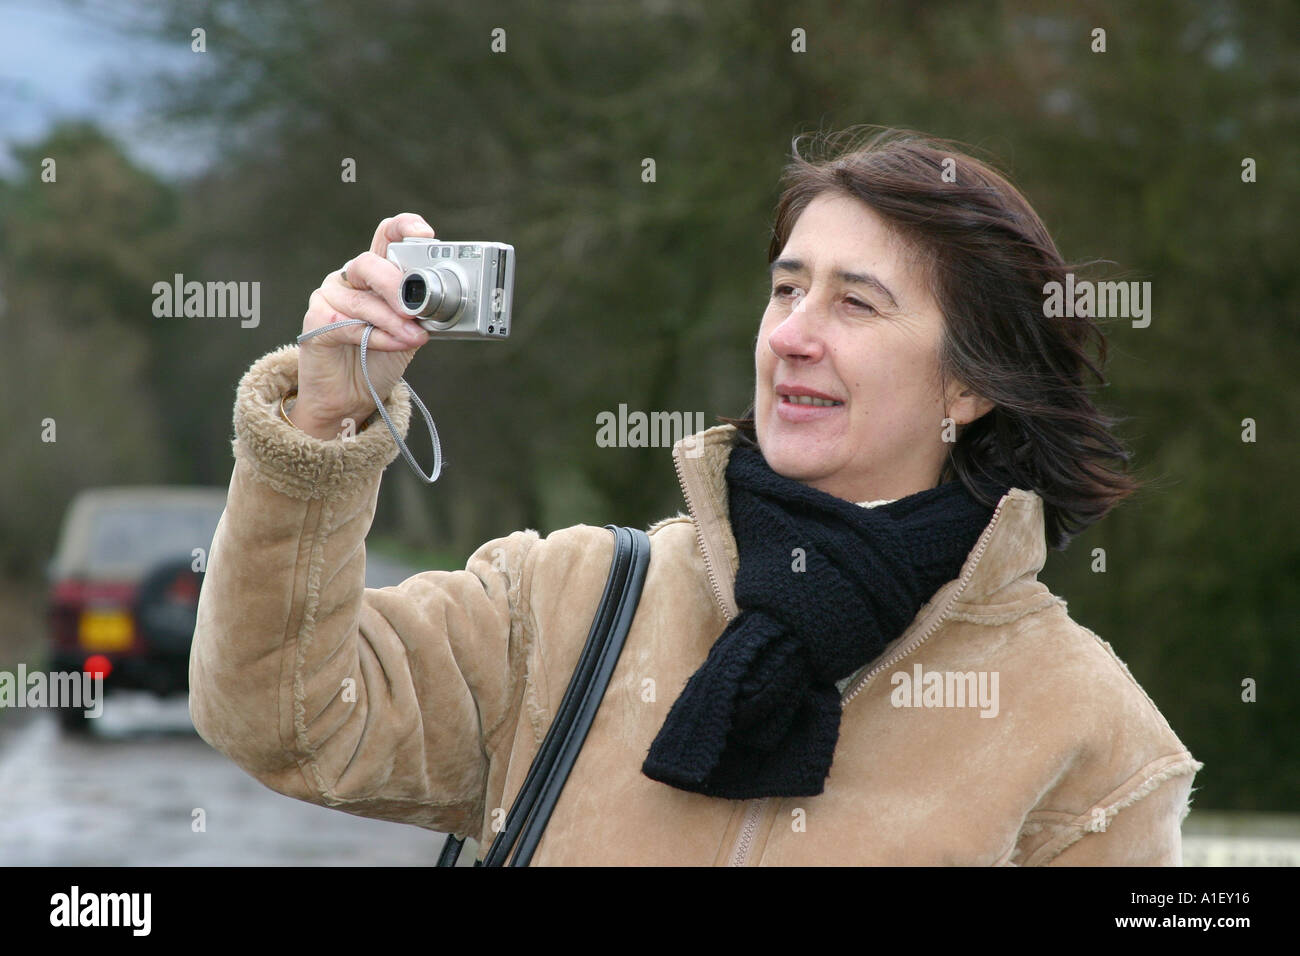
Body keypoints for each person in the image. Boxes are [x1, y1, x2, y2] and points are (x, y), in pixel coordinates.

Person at [190, 127, 1202, 865]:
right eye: (785, 287)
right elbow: (283, 717)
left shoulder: (1088, 739)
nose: (793, 331)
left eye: (855, 301)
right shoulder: (567, 599)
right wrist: (323, 419)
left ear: (969, 383)